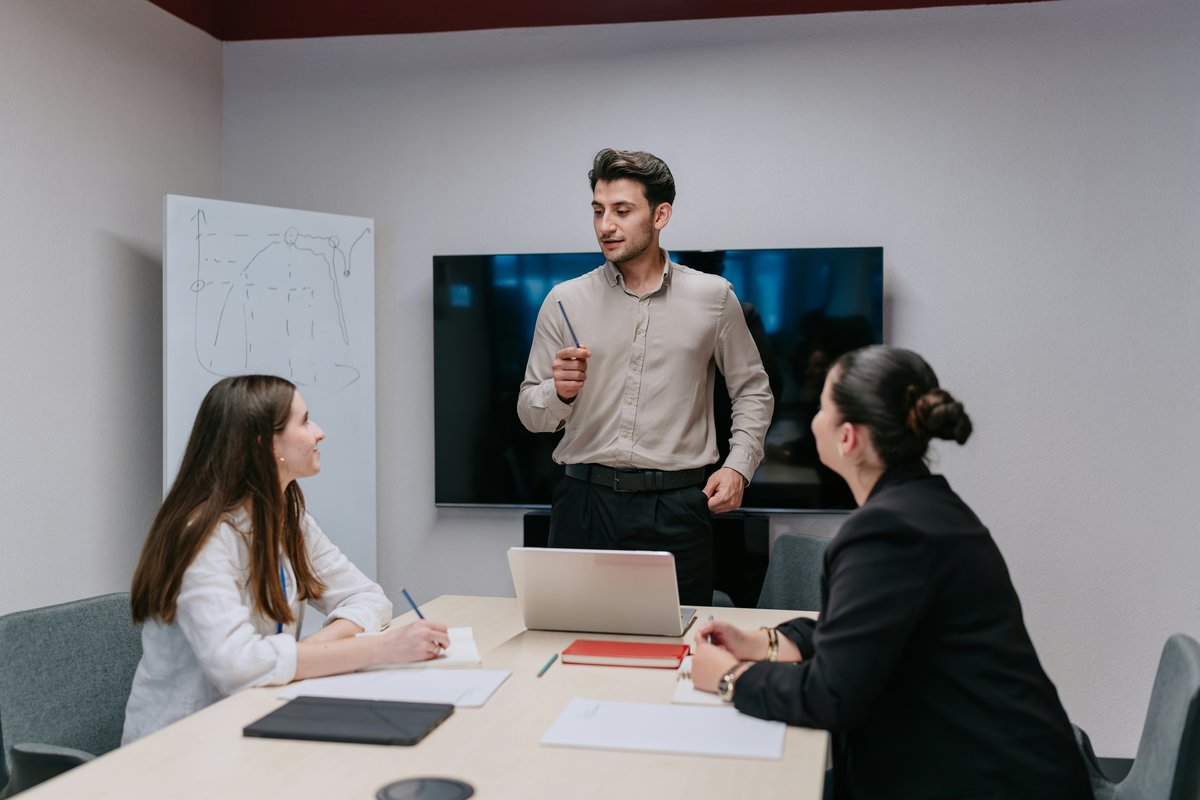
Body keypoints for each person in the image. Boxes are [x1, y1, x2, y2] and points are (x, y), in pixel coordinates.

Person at [690, 346, 1092, 800]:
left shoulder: (887, 531)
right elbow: (862, 633)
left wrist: (730, 678)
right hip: (1005, 761)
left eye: (822, 407)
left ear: (848, 437)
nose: (813, 419)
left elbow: (832, 696)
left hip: (986, 778)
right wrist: (766, 642)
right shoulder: (923, 505)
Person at [123, 375, 448, 743]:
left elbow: (369, 598)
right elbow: (236, 665)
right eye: (306, 421)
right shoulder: (201, 534)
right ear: (265, 444)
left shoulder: (287, 517)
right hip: (180, 747)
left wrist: (305, 653)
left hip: (258, 716)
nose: (320, 432)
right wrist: (382, 648)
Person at [517, 148, 774, 605]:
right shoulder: (564, 300)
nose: (604, 226)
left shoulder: (714, 298)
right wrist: (558, 393)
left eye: (621, 211)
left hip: (676, 508)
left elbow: (753, 390)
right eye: (598, 211)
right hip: (583, 504)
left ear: (660, 215)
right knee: (570, 643)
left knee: (674, 650)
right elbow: (530, 414)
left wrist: (738, 466)